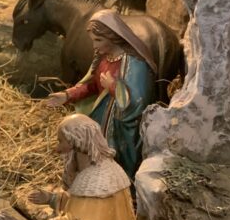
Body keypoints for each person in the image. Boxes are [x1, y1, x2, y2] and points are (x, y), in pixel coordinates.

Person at [45, 9, 157, 180]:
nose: (94, 46)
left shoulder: (135, 63)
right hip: (100, 122)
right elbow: (91, 86)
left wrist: (113, 87)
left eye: (98, 40)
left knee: (117, 168)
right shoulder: (104, 58)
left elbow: (138, 102)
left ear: (113, 37)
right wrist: (67, 95)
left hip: (123, 132)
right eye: (93, 40)